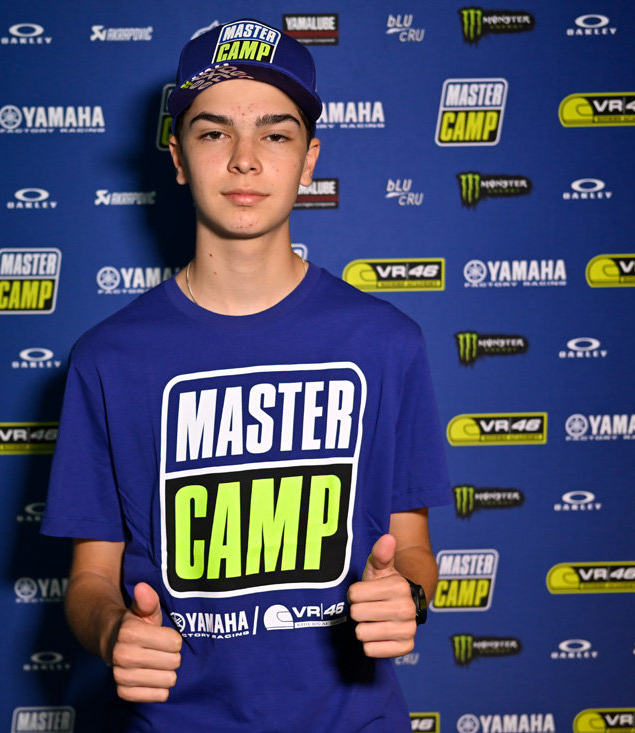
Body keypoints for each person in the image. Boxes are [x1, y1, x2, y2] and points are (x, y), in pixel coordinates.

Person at [41, 18, 450, 731]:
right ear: (177, 157)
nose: (244, 160)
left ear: (309, 159)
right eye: (213, 132)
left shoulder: (387, 342)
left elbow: (410, 549)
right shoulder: (108, 358)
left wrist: (408, 595)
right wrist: (112, 631)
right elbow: (91, 579)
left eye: (275, 134)